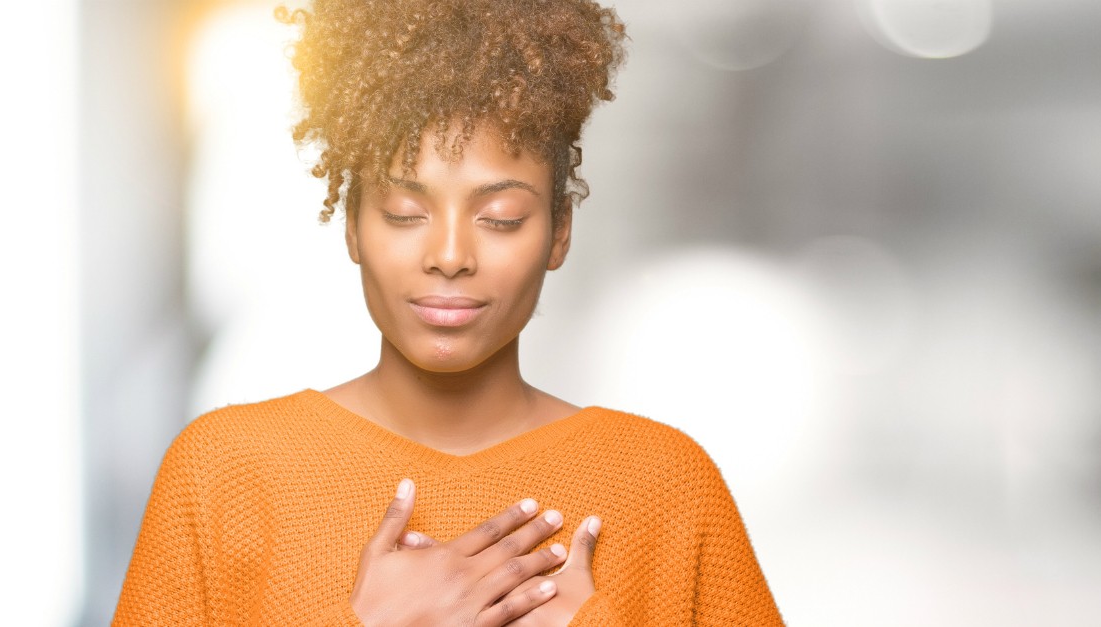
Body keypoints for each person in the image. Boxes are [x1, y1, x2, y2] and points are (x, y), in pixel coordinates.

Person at [114, 0, 784, 624]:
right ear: (351, 226)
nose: (450, 255)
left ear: (559, 232)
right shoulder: (223, 473)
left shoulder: (667, 485)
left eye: (502, 217)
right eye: (405, 212)